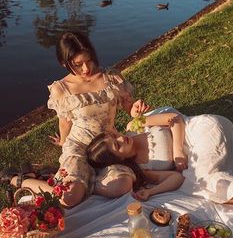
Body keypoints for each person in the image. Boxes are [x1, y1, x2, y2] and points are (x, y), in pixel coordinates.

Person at [8, 31, 150, 207]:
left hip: (108, 147)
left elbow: (130, 108)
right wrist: (64, 145)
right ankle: (24, 180)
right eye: (78, 64)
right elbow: (65, 121)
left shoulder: (111, 77)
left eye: (89, 60)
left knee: (122, 185)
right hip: (79, 146)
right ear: (64, 63)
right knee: (69, 199)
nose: (86, 68)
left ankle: (87, 182)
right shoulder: (62, 89)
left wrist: (135, 109)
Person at [87, 110, 233, 204]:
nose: (121, 139)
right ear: (118, 160)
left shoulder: (132, 127)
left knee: (200, 179)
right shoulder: (142, 168)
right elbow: (176, 178)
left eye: (115, 135)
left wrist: (177, 150)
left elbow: (174, 119)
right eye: (117, 146)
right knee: (199, 182)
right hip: (199, 154)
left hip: (202, 129)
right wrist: (151, 192)